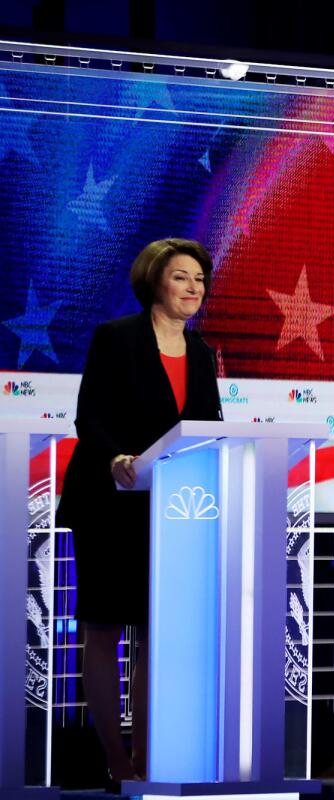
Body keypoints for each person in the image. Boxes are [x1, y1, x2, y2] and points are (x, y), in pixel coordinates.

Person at [58, 238, 222, 788]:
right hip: (108, 501)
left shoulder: (202, 353)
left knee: (156, 629)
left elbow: (205, 427)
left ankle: (150, 761)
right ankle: (116, 758)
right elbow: (90, 417)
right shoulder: (116, 338)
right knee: (105, 626)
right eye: (182, 277)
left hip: (170, 508)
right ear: (155, 281)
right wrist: (115, 458)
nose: (193, 288)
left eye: (200, 279)